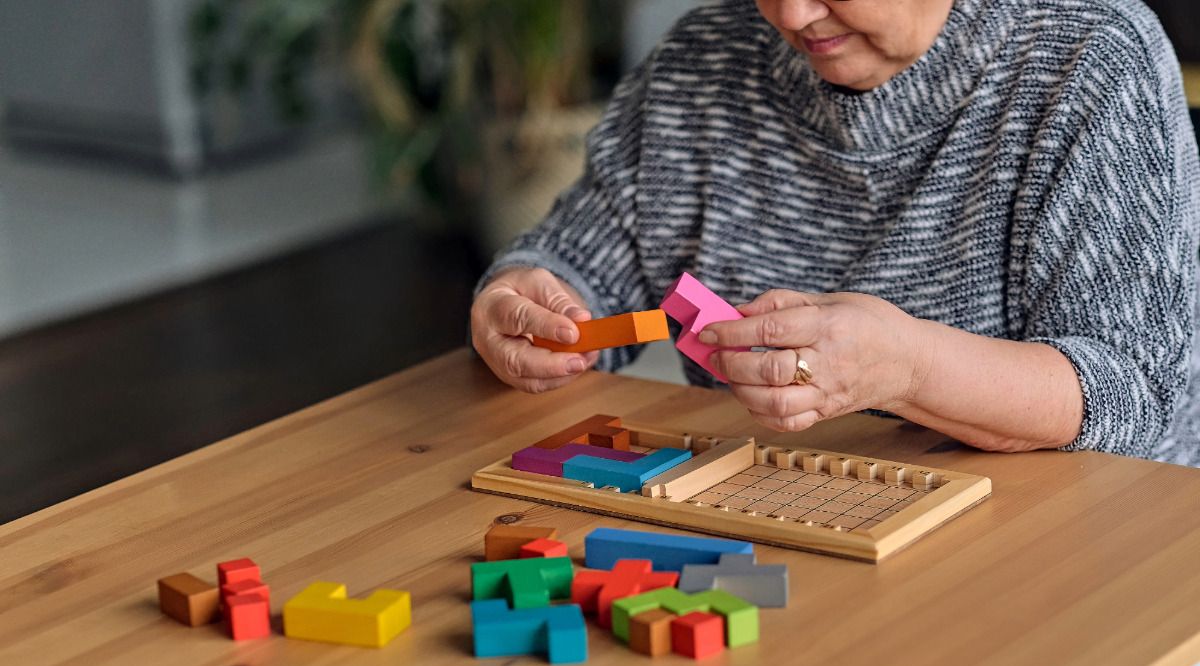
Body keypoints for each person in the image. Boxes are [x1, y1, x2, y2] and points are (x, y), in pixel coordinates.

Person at [470, 0, 1200, 464]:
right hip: (790, 515)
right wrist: (526, 296)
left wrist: (911, 366)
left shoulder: (1093, 55)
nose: (790, 13)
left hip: (1083, 550)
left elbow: (1128, 395)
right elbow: (581, 265)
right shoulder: (703, 57)